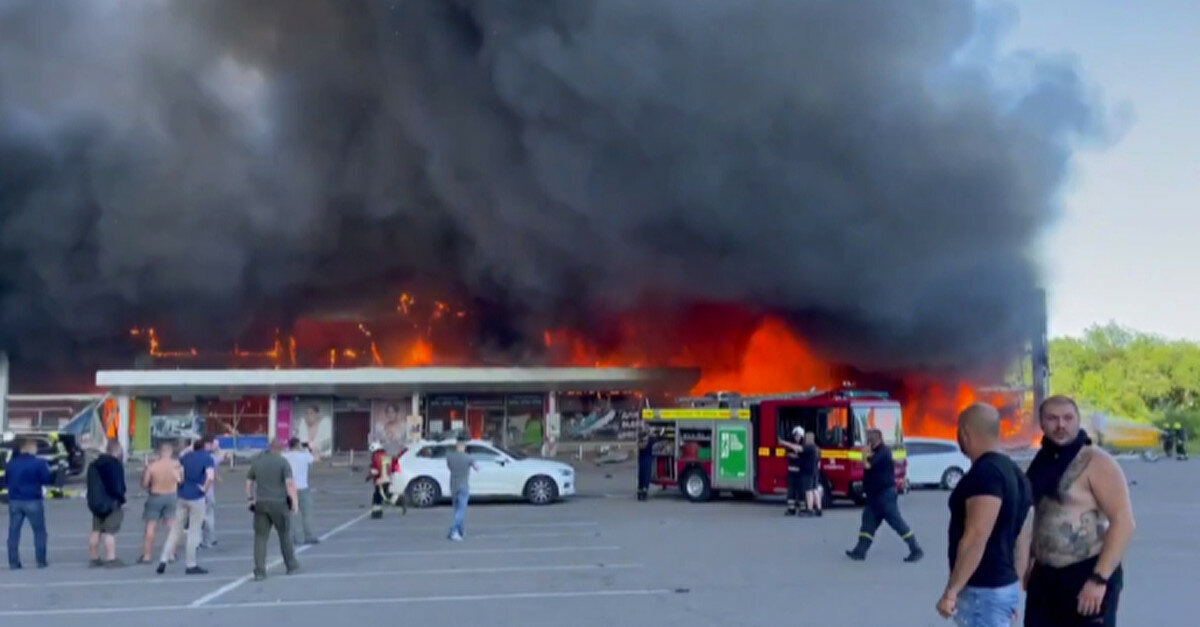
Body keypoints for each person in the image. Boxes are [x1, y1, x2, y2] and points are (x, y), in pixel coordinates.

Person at [1023, 395, 1135, 626]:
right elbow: (1037, 515)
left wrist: (1099, 579)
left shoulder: (1097, 462)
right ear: (1041, 423)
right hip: (1045, 578)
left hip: (1086, 573)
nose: (1060, 425)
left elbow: (1123, 522)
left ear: (1077, 420)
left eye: (1067, 418)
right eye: (1052, 418)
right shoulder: (1042, 462)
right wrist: (1028, 562)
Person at [936, 403, 1033, 626]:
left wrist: (952, 591)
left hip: (983, 591)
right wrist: (1013, 590)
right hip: (1001, 587)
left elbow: (976, 536)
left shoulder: (986, 474)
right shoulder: (1016, 473)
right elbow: (1023, 536)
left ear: (965, 433)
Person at [846, 428, 924, 562]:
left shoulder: (884, 452)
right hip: (874, 497)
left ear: (877, 439)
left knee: (897, 523)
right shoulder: (875, 452)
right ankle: (860, 551)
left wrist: (864, 455)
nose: (867, 441)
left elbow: (868, 466)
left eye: (869, 439)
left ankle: (916, 549)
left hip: (885, 496)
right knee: (868, 522)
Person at [157, 438, 215, 575]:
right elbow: (210, 477)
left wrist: (179, 481)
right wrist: (204, 489)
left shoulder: (186, 457)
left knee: (176, 530)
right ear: (205, 446)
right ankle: (191, 564)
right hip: (197, 497)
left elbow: (175, 470)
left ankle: (163, 559)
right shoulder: (207, 458)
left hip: (182, 495)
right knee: (194, 531)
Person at [246, 439, 301, 581]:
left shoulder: (257, 461)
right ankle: (291, 565)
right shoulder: (283, 462)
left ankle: (259, 570)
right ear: (280, 449)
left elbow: (249, 482)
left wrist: (250, 498)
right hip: (279, 503)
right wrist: (294, 502)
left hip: (261, 503)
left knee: (260, 538)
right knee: (284, 535)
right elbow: (289, 484)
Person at [6, 438, 54, 569]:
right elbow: (46, 479)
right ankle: (41, 560)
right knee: (39, 531)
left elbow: (7, 480)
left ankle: (13, 562)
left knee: (14, 532)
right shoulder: (39, 463)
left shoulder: (11, 463)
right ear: (31, 448)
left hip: (15, 500)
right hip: (33, 499)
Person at [86, 440, 128, 568]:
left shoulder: (93, 465)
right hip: (111, 503)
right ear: (116, 450)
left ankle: (94, 558)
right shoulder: (115, 465)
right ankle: (111, 559)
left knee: (96, 530)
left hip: (95, 503)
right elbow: (117, 486)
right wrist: (121, 499)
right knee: (109, 532)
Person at [139, 442, 182, 563]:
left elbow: (145, 484)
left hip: (156, 496)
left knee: (151, 526)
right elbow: (181, 480)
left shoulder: (153, 466)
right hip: (172, 495)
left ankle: (147, 556)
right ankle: (171, 554)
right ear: (171, 452)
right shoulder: (177, 465)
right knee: (171, 526)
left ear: (160, 452)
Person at [282, 437, 320, 545]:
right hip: (303, 488)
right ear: (298, 445)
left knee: (293, 514)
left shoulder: (285, 456)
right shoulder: (304, 456)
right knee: (306, 513)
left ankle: (296, 537)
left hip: (289, 488)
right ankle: (309, 536)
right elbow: (317, 458)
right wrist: (312, 448)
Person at [445, 432, 478, 541]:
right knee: (461, 510)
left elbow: (449, 467)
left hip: (453, 485)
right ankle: (453, 531)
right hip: (464, 485)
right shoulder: (469, 457)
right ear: (464, 447)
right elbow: (477, 468)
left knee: (457, 509)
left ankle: (461, 530)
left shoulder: (450, 457)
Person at [200, 438, 223, 549]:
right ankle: (210, 539)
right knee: (209, 517)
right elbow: (221, 456)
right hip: (209, 492)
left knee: (198, 518)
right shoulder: (213, 458)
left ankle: (199, 541)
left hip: (198, 492)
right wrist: (217, 447)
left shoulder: (194, 458)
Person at [779, 426, 806, 516]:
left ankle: (802, 509)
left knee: (802, 491)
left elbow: (800, 454)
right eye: (795, 435)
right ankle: (791, 509)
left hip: (801, 473)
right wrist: (792, 455)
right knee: (791, 491)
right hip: (791, 472)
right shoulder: (790, 446)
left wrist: (795, 455)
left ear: (802, 436)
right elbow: (787, 454)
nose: (797, 437)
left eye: (798, 436)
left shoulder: (804, 446)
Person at [367, 441, 392, 519]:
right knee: (383, 495)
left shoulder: (376, 457)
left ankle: (377, 513)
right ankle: (399, 499)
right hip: (387, 478)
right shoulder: (386, 455)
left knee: (377, 497)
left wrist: (369, 476)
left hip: (380, 479)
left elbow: (376, 469)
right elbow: (388, 468)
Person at [636, 423, 653, 501]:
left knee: (641, 475)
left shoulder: (641, 438)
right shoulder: (649, 439)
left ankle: (640, 492)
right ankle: (643, 492)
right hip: (646, 458)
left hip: (642, 458)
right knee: (645, 475)